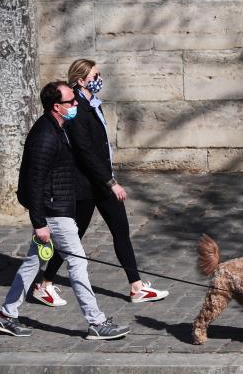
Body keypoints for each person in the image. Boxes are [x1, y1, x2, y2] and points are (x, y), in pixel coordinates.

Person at [0, 81, 130, 340]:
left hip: (58, 207)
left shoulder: (59, 128)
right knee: (77, 262)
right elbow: (34, 182)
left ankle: (6, 315)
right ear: (57, 107)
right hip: (54, 211)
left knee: (32, 263)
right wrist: (39, 223)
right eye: (71, 102)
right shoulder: (45, 137)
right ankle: (97, 322)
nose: (76, 104)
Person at [33, 60, 169, 305]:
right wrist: (111, 182)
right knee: (73, 236)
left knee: (120, 230)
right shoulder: (76, 108)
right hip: (85, 185)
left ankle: (136, 286)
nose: (99, 79)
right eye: (95, 75)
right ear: (81, 80)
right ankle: (45, 284)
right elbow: (85, 152)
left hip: (101, 181)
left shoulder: (92, 104)